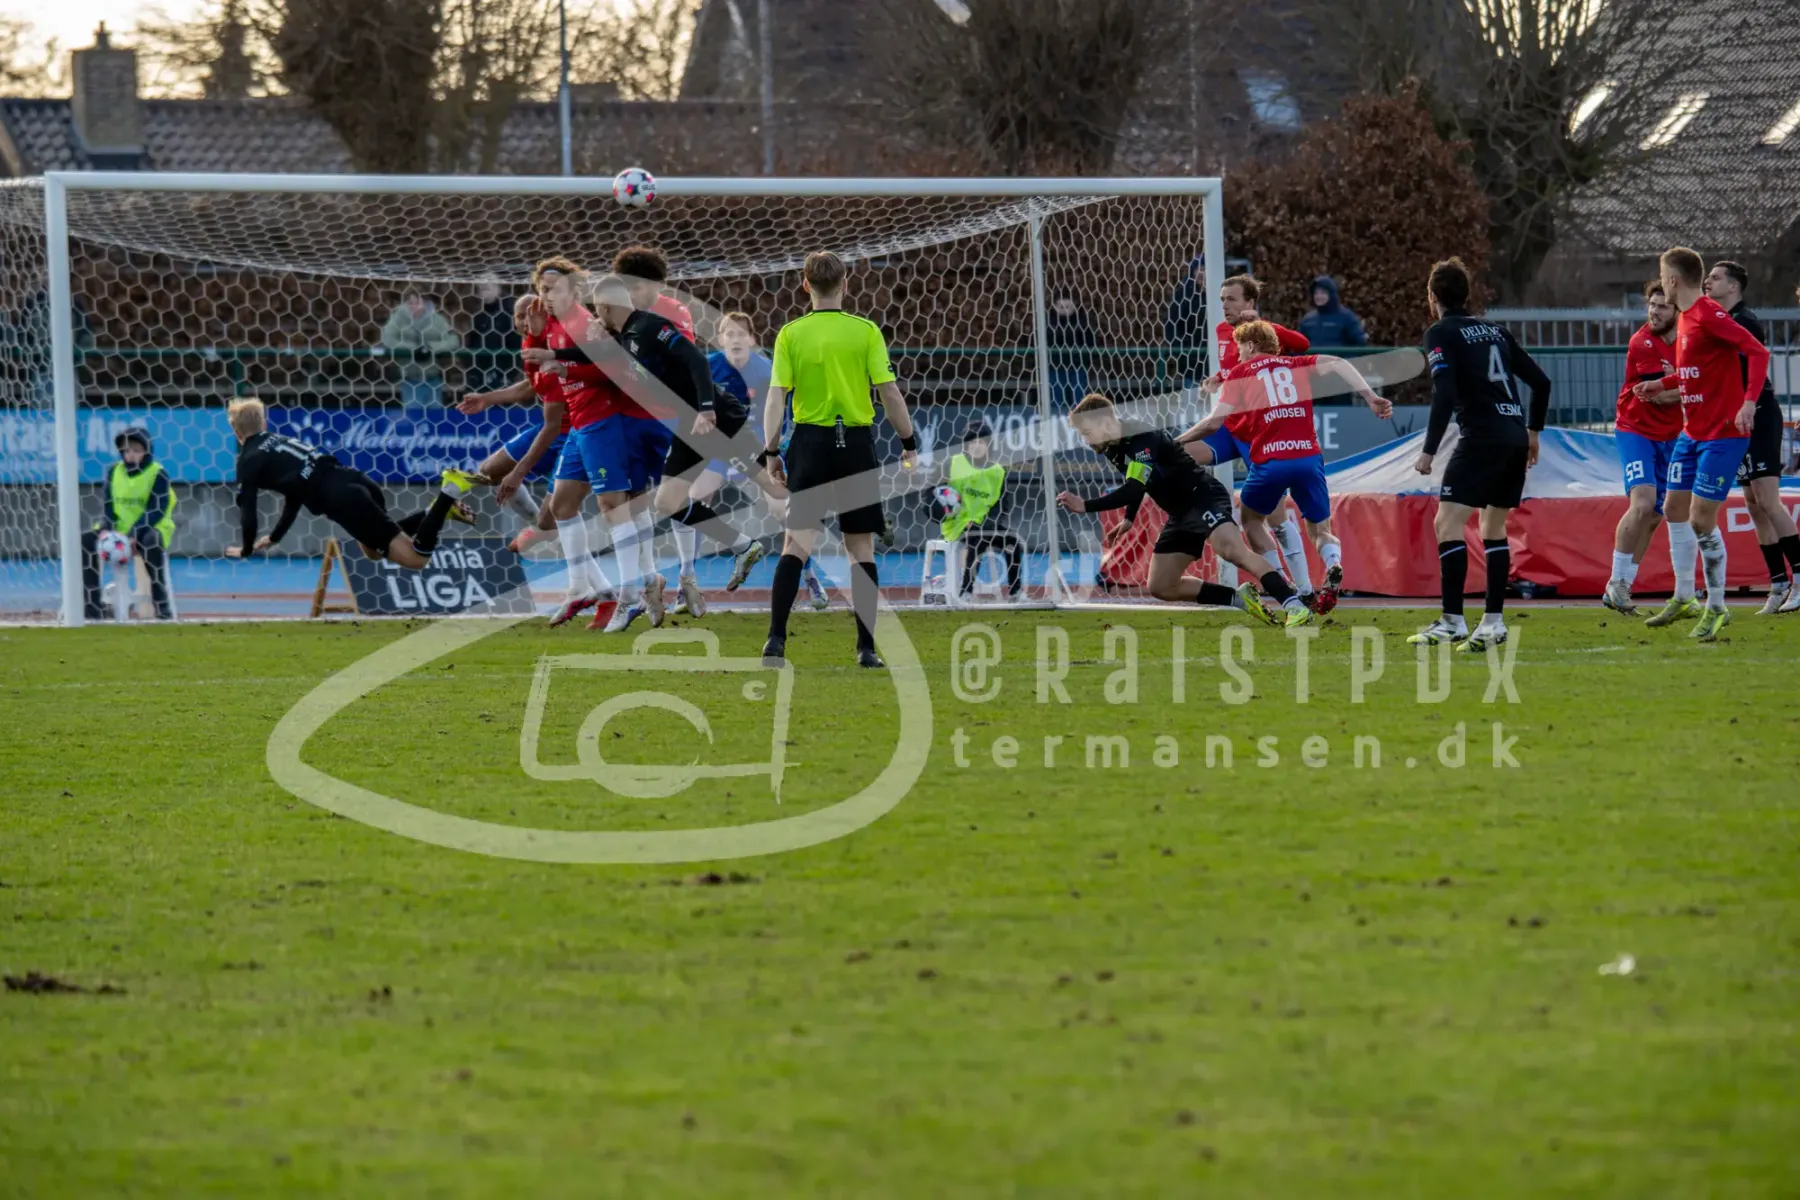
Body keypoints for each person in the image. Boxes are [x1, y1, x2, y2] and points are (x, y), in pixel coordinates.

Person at [576, 271, 771, 634]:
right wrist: (569, 350)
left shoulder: (650, 326)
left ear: (604, 306)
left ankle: (820, 543)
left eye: (596, 309)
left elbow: (696, 359)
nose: (595, 316)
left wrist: (706, 408)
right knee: (668, 502)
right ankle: (741, 547)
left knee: (775, 489)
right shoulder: (628, 337)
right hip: (690, 426)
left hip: (714, 418)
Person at [758, 250, 919, 669]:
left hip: (809, 443)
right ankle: (866, 648)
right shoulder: (865, 331)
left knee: (796, 544)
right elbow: (889, 392)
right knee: (860, 547)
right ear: (845, 285)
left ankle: (775, 641)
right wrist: (908, 441)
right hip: (856, 444)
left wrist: (771, 452)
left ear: (805, 285)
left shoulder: (791, 333)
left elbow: (776, 398)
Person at [1180, 320, 1391, 614]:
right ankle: (1333, 563)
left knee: (1252, 520)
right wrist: (1370, 396)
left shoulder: (1241, 373)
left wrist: (1177, 441)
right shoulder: (1297, 365)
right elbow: (1338, 363)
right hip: (1308, 458)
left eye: (1240, 347)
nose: (1238, 354)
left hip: (1271, 462)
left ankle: (1282, 583)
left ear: (1251, 345)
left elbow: (1214, 423)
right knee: (1319, 529)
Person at [1056, 392, 1307, 625]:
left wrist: (1085, 505)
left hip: (1202, 495)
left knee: (1232, 551)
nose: (1085, 441)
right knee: (1162, 586)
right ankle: (1238, 598)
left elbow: (1133, 487)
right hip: (1181, 512)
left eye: (1086, 433)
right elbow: (1139, 481)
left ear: (1104, 423)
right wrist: (1129, 518)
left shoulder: (1142, 437)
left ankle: (1294, 605)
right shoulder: (1112, 445)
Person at [1407, 257, 1552, 651]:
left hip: (1481, 437)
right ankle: (1492, 623)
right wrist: (1533, 433)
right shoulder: (1496, 331)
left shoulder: (1440, 332)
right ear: (1467, 294)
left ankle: (1452, 621)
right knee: (1493, 527)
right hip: (1513, 436)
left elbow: (1445, 393)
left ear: (1433, 297)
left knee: (1446, 523)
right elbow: (1541, 382)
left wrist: (1428, 450)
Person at [1632, 247, 1771, 640]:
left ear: (1673, 280)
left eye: (1663, 276)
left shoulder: (1709, 314)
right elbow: (1693, 372)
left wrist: (1748, 403)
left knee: (1699, 518)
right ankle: (1683, 597)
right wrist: (1661, 383)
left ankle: (1717, 606)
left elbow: (1758, 352)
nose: (1662, 283)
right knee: (1673, 508)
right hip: (1691, 433)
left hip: (1723, 434)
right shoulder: (1686, 318)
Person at [521, 257, 648, 630]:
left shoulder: (585, 324)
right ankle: (579, 587)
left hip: (603, 420)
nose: (547, 295)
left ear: (574, 291)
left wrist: (566, 367)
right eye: (543, 289)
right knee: (561, 505)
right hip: (580, 424)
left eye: (554, 289)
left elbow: (613, 368)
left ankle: (631, 595)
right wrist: (534, 335)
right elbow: (539, 378)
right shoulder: (551, 325)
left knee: (612, 506)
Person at [222, 399, 472, 568]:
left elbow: (248, 514)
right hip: (355, 480)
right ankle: (435, 511)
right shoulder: (280, 440)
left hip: (342, 500)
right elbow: (295, 495)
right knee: (373, 551)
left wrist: (246, 548)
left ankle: (448, 493)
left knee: (416, 559)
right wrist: (276, 536)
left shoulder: (248, 460)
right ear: (264, 424)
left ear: (236, 432)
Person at [1191, 273, 1318, 605]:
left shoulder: (1263, 334)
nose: (1225, 305)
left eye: (1231, 299)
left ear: (1249, 303)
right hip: (1230, 429)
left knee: (1272, 519)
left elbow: (1302, 345)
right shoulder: (1222, 332)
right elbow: (1234, 370)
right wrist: (1217, 379)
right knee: (1180, 455)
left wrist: (1262, 323)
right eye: (1222, 299)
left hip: (1259, 434)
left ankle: (1304, 589)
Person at [692, 311, 830, 616]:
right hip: (719, 448)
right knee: (693, 500)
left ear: (752, 340)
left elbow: (782, 411)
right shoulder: (708, 367)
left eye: (742, 334)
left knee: (784, 510)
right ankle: (687, 584)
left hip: (755, 448)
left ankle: (809, 575)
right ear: (719, 340)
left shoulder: (766, 370)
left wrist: (777, 447)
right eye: (729, 334)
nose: (736, 340)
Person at [1704, 259, 1800, 614]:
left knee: (1768, 500)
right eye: (1706, 277)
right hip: (1735, 421)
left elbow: (1754, 369)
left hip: (1758, 415)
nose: (1708, 282)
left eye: (1715, 278)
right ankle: (1778, 583)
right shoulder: (1714, 320)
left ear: (1733, 286)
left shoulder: (1745, 322)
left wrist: (1747, 404)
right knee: (1752, 503)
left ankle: (1799, 576)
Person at [456, 293, 565, 547]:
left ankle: (567, 546)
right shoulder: (529, 344)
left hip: (574, 432)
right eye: (519, 316)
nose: (525, 321)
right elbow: (531, 385)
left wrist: (518, 472)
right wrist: (487, 399)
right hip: (554, 426)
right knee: (490, 471)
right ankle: (541, 526)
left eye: (532, 314)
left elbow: (553, 423)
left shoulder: (554, 347)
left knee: (559, 512)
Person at [1601, 281, 1682, 615]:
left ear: (1677, 310)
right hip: (1636, 429)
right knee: (1643, 502)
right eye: (1652, 305)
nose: (1654, 311)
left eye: (1662, 306)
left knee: (1655, 515)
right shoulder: (1643, 342)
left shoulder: (1689, 341)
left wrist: (1682, 381)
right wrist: (1689, 384)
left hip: (1672, 435)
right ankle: (1615, 582)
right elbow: (1659, 397)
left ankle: (1623, 586)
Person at [81, 426, 175, 621]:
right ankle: (92, 608)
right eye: (126, 450)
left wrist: (134, 534)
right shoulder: (113, 471)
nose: (130, 455)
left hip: (149, 528)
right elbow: (108, 506)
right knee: (86, 541)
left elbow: (157, 509)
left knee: (152, 543)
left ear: (146, 451)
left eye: (136, 450)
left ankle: (162, 607)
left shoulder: (158, 473)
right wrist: (107, 529)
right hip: (118, 530)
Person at [938, 419, 1022, 599]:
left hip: (986, 525)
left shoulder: (997, 471)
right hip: (958, 524)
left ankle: (1015, 592)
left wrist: (988, 523)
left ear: (988, 445)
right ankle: (966, 592)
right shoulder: (952, 463)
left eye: (981, 442)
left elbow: (1002, 506)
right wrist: (939, 512)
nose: (976, 446)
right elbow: (932, 494)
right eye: (972, 442)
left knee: (1012, 542)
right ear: (966, 445)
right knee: (978, 540)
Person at [380, 289, 461, 410]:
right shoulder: (397, 319)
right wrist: (413, 348)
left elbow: (453, 341)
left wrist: (431, 347)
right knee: (413, 413)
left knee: (435, 414)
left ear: (426, 303)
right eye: (410, 303)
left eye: (417, 302)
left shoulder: (438, 320)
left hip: (433, 377)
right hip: (409, 378)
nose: (413, 306)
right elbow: (387, 339)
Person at [1161, 254, 1211, 385]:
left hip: (1216, 359)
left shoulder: (1221, 295)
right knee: (1192, 392)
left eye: (1206, 269)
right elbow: (1171, 324)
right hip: (1191, 361)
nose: (1203, 273)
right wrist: (1181, 351)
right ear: (1193, 272)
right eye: (1200, 269)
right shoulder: (1184, 294)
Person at [1046, 291, 1098, 410]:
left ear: (1074, 306)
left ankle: (1079, 417)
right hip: (1054, 367)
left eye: (1067, 307)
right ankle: (1056, 417)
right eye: (1061, 307)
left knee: (1078, 394)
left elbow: (1090, 344)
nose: (1064, 310)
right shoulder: (1048, 324)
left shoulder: (1082, 323)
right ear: (1054, 307)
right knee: (1056, 395)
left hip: (1077, 367)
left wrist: (1082, 360)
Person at [467, 280, 519, 393]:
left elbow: (516, 344)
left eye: (486, 288)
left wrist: (508, 373)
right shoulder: (479, 316)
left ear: (498, 288)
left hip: (503, 372)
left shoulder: (510, 312)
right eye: (481, 289)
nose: (483, 292)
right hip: (480, 372)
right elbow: (473, 344)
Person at [1298, 276, 1368, 348]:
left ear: (1331, 294)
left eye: (1323, 293)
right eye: (1316, 293)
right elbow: (1299, 345)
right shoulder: (1307, 320)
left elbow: (1360, 343)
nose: (1319, 296)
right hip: (1314, 355)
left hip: (1338, 355)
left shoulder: (1347, 317)